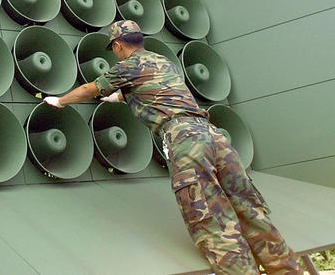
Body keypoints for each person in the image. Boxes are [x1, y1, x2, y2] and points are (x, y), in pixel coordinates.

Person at [42, 19, 301, 275]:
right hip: (213, 134)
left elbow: (90, 88)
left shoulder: (127, 66)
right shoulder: (162, 61)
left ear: (118, 46)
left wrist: (61, 101)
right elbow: (154, 87)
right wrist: (120, 96)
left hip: (184, 139)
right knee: (251, 213)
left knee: (213, 222)